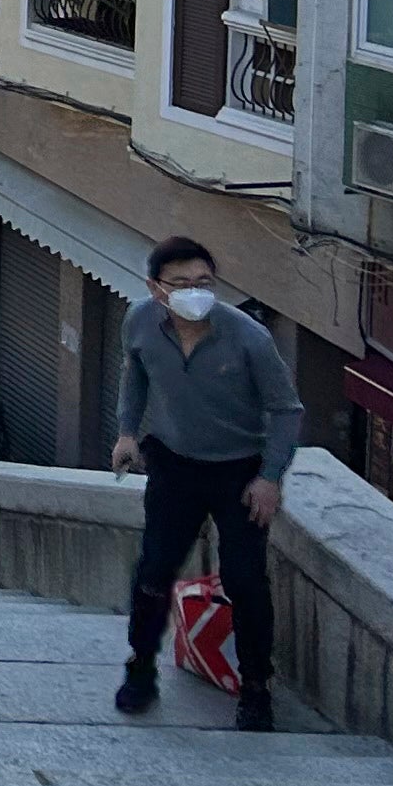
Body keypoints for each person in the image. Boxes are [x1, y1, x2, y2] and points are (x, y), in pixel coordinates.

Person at [112, 235, 301, 730]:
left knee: (245, 579)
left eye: (204, 283)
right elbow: (134, 373)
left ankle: (256, 685)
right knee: (154, 570)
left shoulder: (249, 337)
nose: (195, 292)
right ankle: (140, 668)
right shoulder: (139, 321)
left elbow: (285, 410)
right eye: (182, 284)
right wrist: (127, 432)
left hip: (239, 468)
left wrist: (270, 478)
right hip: (174, 463)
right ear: (157, 289)